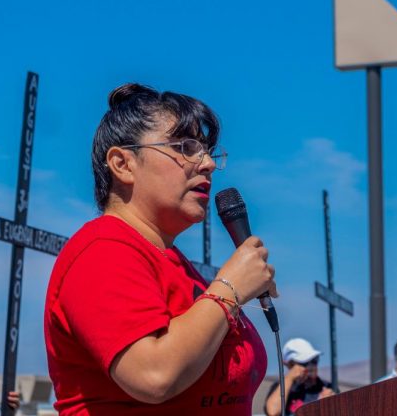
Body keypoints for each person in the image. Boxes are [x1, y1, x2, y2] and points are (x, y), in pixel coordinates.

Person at [44, 83, 276, 415]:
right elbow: (154, 375)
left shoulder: (179, 265)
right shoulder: (101, 250)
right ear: (123, 164)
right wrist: (231, 288)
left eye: (209, 150)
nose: (208, 163)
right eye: (185, 146)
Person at [264, 338, 334, 416]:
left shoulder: (327, 387)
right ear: (289, 364)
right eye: (304, 363)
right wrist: (289, 378)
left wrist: (329, 404)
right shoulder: (279, 388)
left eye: (314, 360)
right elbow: (273, 412)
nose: (311, 366)